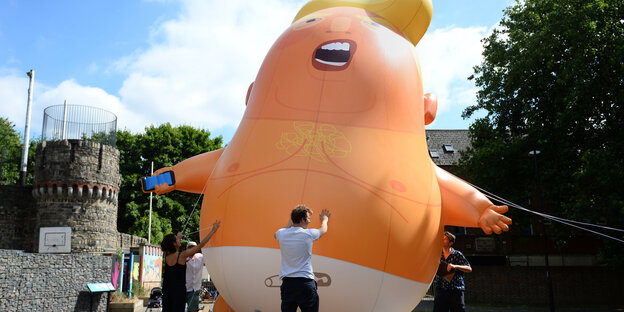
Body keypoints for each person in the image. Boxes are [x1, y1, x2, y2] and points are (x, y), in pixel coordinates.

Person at [274, 204, 330, 312]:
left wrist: (289, 223)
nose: (309, 221)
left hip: (288, 285)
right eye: (308, 218)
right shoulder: (309, 234)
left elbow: (275, 235)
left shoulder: (281, 233)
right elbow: (323, 230)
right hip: (305, 284)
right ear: (302, 219)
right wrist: (325, 220)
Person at [160, 220, 220, 312]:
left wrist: (178, 237)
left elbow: (173, 247)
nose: (179, 239)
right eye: (177, 239)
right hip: (178, 292)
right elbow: (200, 246)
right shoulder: (182, 256)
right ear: (174, 244)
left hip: (167, 291)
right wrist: (212, 231)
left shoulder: (167, 255)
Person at [433, 231, 472, 312]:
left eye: (444, 239)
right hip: (441, 290)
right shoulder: (437, 254)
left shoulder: (457, 254)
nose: (441, 240)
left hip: (456, 290)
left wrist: (455, 266)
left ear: (450, 243)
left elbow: (469, 268)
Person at [185, 241, 203, 312]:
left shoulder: (200, 257)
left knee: (193, 310)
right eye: (190, 248)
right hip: (183, 288)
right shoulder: (183, 258)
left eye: (194, 248)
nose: (192, 249)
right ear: (187, 249)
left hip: (195, 289)